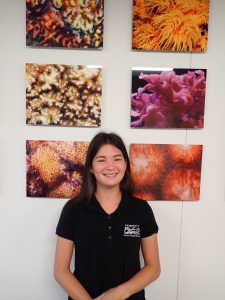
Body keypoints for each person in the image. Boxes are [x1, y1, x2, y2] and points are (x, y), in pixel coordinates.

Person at [54, 131, 160, 300]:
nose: (110, 166)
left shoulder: (141, 209)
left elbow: (153, 268)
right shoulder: (73, 209)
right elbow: (60, 271)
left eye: (117, 159)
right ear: (90, 166)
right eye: (101, 160)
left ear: (125, 164)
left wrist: (120, 293)